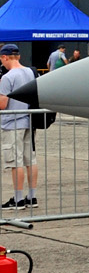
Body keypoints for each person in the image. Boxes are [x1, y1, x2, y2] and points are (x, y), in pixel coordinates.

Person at [0, 44, 37, 209]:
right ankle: (32, 197)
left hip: (11, 123)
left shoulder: (7, 78)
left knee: (16, 161)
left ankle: (18, 199)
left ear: (4, 57)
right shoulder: (30, 72)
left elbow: (3, 104)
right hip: (29, 121)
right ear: (19, 56)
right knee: (31, 160)